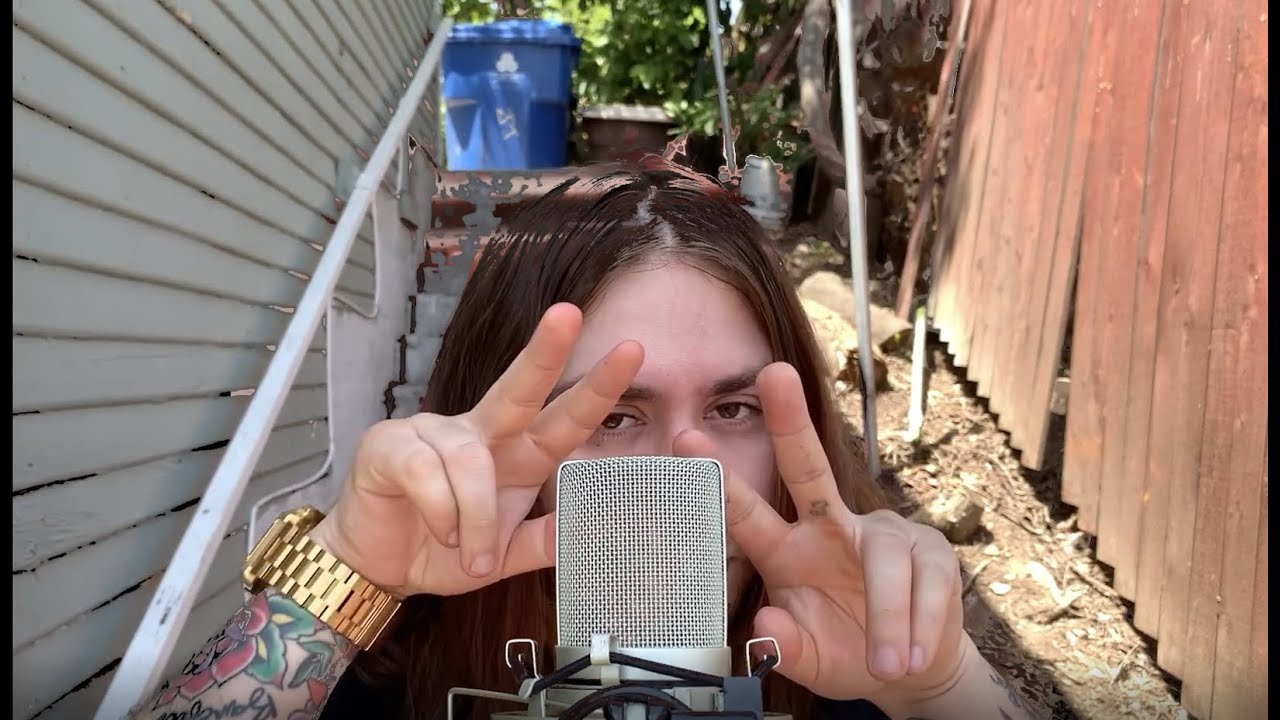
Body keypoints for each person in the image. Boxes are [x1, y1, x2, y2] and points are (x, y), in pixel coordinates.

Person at [127, 157, 1045, 720]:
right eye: (611, 416)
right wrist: (339, 582)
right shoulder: (383, 679)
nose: (686, 474)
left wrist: (938, 691)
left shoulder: (849, 669)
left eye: (733, 410)